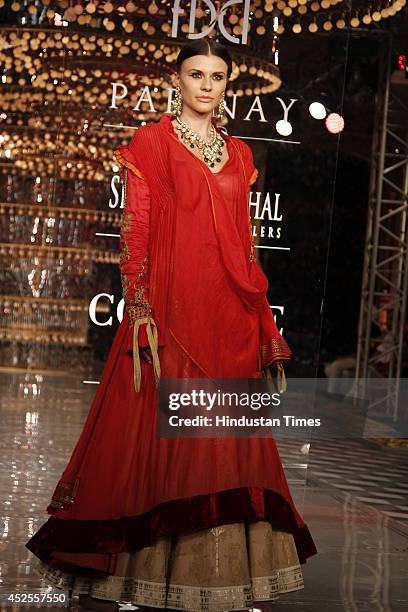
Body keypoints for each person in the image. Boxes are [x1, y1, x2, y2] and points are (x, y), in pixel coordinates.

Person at [25, 38, 317, 611]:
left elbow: (245, 244)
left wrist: (261, 317)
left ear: (227, 85)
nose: (207, 85)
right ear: (176, 81)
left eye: (216, 76)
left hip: (228, 313)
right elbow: (138, 227)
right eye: (196, 74)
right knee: (160, 436)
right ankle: (142, 570)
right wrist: (139, 305)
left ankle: (215, 576)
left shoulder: (238, 157)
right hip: (170, 311)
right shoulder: (152, 144)